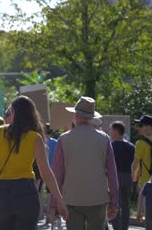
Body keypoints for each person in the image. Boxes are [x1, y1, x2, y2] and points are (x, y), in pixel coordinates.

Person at [0, 96, 68, 230]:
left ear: (13, 113)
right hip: (26, 193)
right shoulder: (35, 137)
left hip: (2, 194)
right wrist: (59, 200)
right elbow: (46, 173)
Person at [49, 96, 118, 230]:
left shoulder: (64, 139)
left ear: (75, 115)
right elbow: (112, 173)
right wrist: (114, 202)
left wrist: (54, 203)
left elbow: (57, 174)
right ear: (91, 117)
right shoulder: (104, 139)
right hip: (98, 198)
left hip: (71, 199)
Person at [109, 121, 134, 230]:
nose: (110, 132)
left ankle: (117, 227)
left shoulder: (111, 146)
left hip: (115, 177)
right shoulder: (131, 146)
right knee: (126, 204)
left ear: (116, 131)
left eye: (111, 129)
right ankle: (125, 227)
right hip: (128, 176)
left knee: (114, 203)